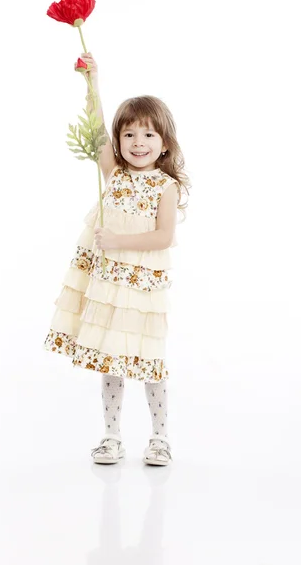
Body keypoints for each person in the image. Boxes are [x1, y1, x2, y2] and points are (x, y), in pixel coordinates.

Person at [43, 52, 191, 466]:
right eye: (129, 136)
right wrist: (92, 82)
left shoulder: (165, 187)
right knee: (112, 358)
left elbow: (164, 238)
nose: (137, 144)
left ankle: (160, 437)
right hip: (111, 285)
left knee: (148, 360)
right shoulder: (116, 173)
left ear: (164, 144)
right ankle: (111, 436)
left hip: (143, 287)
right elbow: (95, 130)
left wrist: (119, 239)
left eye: (147, 136)